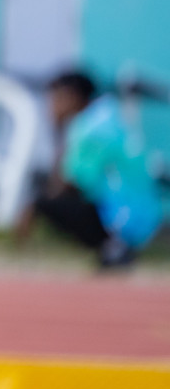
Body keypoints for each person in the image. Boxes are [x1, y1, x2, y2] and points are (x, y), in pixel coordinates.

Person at [20, 70, 163, 269]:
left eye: (55, 98)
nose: (51, 106)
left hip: (120, 218)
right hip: (146, 215)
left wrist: (58, 131)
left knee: (41, 202)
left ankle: (111, 246)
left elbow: (70, 182)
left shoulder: (87, 128)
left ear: (71, 97)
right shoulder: (109, 116)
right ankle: (114, 246)